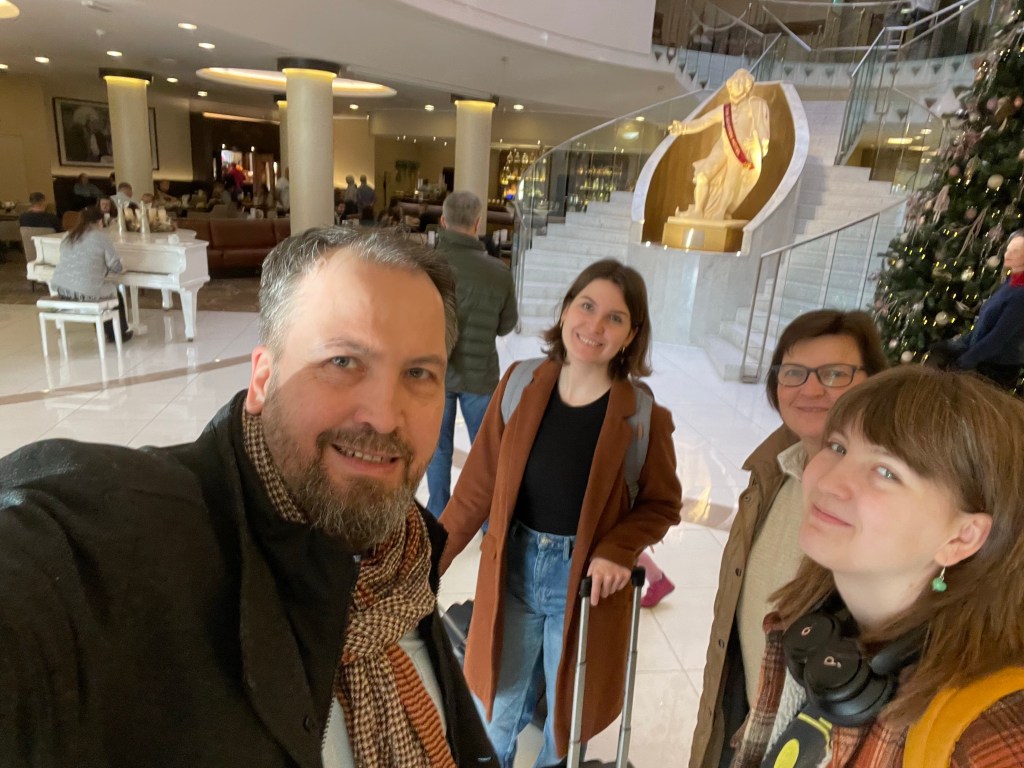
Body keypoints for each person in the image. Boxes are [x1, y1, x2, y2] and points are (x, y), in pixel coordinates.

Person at [0, 227, 496, 766]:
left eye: (418, 373)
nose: (383, 415)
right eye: (342, 361)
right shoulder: (120, 538)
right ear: (262, 379)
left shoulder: (402, 557)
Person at [439, 259, 683, 767]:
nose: (595, 325)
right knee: (496, 704)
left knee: (566, 719)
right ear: (567, 308)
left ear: (631, 334)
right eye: (586, 306)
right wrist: (428, 560)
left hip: (586, 583)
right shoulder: (520, 383)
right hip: (513, 568)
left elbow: (662, 503)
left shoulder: (642, 415)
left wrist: (617, 549)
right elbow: (475, 489)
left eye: (615, 318)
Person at [730, 365, 1024, 766]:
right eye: (838, 447)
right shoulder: (813, 624)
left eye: (887, 472)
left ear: (961, 537)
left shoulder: (991, 734)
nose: (828, 482)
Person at [690, 309, 888, 768]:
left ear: (873, 382)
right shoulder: (773, 472)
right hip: (750, 715)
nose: (810, 390)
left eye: (834, 374)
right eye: (794, 373)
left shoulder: (883, 502)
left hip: (819, 739)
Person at [425, 190, 518, 518]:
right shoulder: (499, 272)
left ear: (443, 221)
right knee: (484, 452)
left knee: (437, 448)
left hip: (435, 374)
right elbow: (506, 326)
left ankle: (438, 513)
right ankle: (484, 519)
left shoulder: (426, 266)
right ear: (478, 223)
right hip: (480, 376)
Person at [926, 230, 1024, 389]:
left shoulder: (1021, 294)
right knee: (937, 350)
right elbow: (985, 324)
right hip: (981, 356)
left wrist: (964, 362)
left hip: (996, 368)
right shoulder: (1012, 282)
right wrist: (959, 344)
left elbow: (998, 338)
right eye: (1008, 249)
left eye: (1016, 251)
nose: (1008, 254)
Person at [668, 68, 770, 221]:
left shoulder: (755, 105)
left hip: (741, 152)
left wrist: (759, 145)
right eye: (734, 82)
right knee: (703, 176)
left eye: (740, 82)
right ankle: (698, 211)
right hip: (723, 147)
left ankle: (720, 212)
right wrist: (683, 128)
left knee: (730, 183)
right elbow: (704, 121)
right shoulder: (725, 109)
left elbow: (762, 129)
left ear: (747, 86)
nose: (736, 85)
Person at [49, 205, 131, 343]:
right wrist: (122, 268)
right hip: (85, 290)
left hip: (62, 288)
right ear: (100, 222)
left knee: (94, 289)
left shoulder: (68, 235)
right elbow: (115, 266)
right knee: (114, 293)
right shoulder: (101, 237)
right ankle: (117, 334)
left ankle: (103, 329)